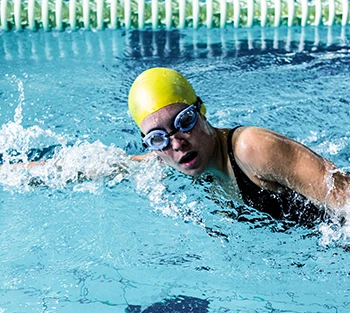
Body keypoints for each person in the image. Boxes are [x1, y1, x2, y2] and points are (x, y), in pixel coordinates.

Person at [128, 67, 350, 226]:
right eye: (158, 138)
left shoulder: (251, 147)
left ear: (201, 111)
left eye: (185, 122)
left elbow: (344, 197)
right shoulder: (179, 158)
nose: (177, 144)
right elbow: (137, 163)